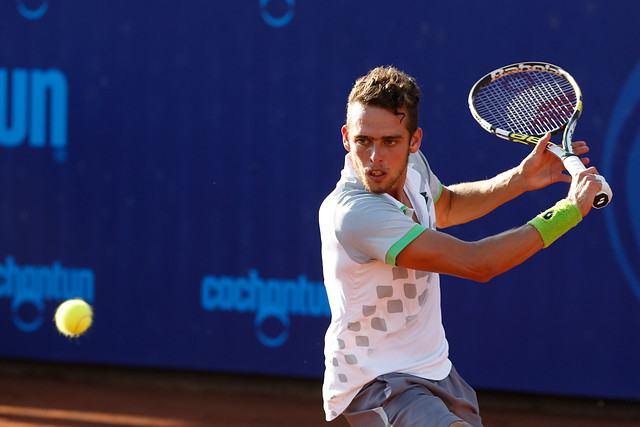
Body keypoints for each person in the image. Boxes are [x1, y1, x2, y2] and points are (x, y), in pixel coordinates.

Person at [318, 66, 603, 427]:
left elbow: (448, 205)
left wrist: (519, 179)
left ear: (414, 141)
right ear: (346, 138)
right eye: (364, 141)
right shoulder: (355, 213)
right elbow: (476, 263)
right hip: (376, 383)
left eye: (390, 141)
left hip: (436, 370)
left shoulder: (414, 167)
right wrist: (569, 211)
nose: (375, 157)